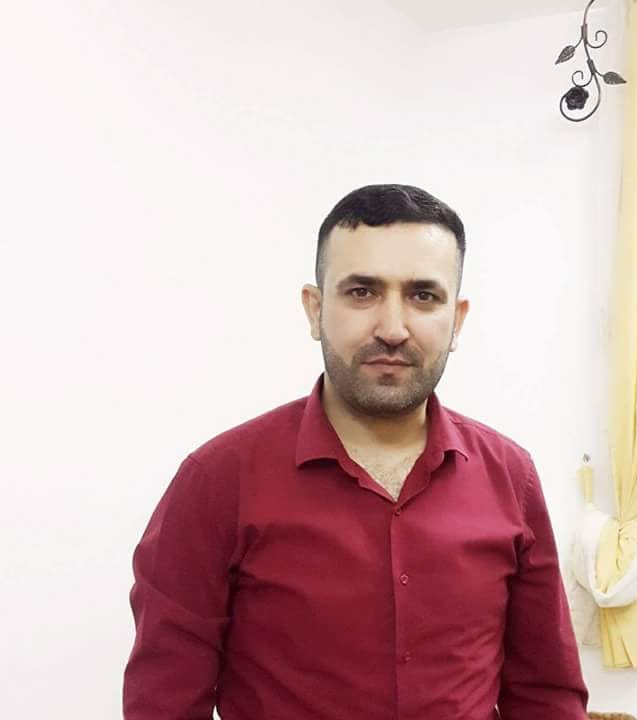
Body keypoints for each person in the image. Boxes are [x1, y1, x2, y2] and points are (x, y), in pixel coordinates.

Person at [122, 183, 589, 720]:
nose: (392, 329)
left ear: (457, 320)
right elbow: (164, 702)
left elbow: (547, 696)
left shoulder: (511, 477)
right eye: (362, 292)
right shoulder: (218, 480)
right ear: (315, 309)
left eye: (423, 296)